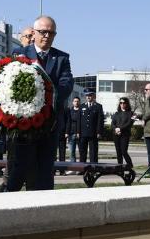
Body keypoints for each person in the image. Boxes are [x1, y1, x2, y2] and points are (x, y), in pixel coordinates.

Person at [11, 15, 74, 190]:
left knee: (45, 171)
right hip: (24, 124)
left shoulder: (62, 58)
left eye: (51, 33)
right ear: (34, 32)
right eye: (43, 32)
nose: (47, 36)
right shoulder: (20, 53)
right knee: (19, 169)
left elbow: (66, 84)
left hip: (50, 123)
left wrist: (48, 98)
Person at [79, 88, 104, 163]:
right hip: (83, 133)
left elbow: (100, 120)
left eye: (90, 95)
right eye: (87, 96)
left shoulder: (98, 106)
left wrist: (99, 132)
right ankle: (82, 168)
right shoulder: (82, 106)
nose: (88, 97)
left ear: (93, 96)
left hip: (93, 133)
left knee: (93, 152)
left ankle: (93, 168)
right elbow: (79, 120)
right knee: (82, 151)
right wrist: (78, 132)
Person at [111, 97, 135, 168]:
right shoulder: (116, 113)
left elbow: (129, 124)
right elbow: (113, 123)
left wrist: (120, 129)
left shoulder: (131, 113)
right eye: (121, 103)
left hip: (125, 135)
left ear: (127, 104)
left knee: (124, 151)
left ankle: (130, 165)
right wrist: (115, 129)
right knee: (118, 152)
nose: (122, 104)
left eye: (124, 103)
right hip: (116, 135)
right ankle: (119, 167)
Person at [66, 96, 81, 161]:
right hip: (71, 134)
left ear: (79, 102)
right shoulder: (70, 111)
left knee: (82, 152)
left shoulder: (82, 110)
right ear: (72, 102)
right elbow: (68, 122)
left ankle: (82, 167)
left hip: (80, 134)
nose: (76, 102)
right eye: (75, 101)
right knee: (72, 152)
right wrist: (66, 132)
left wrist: (79, 132)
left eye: (77, 101)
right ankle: (72, 166)